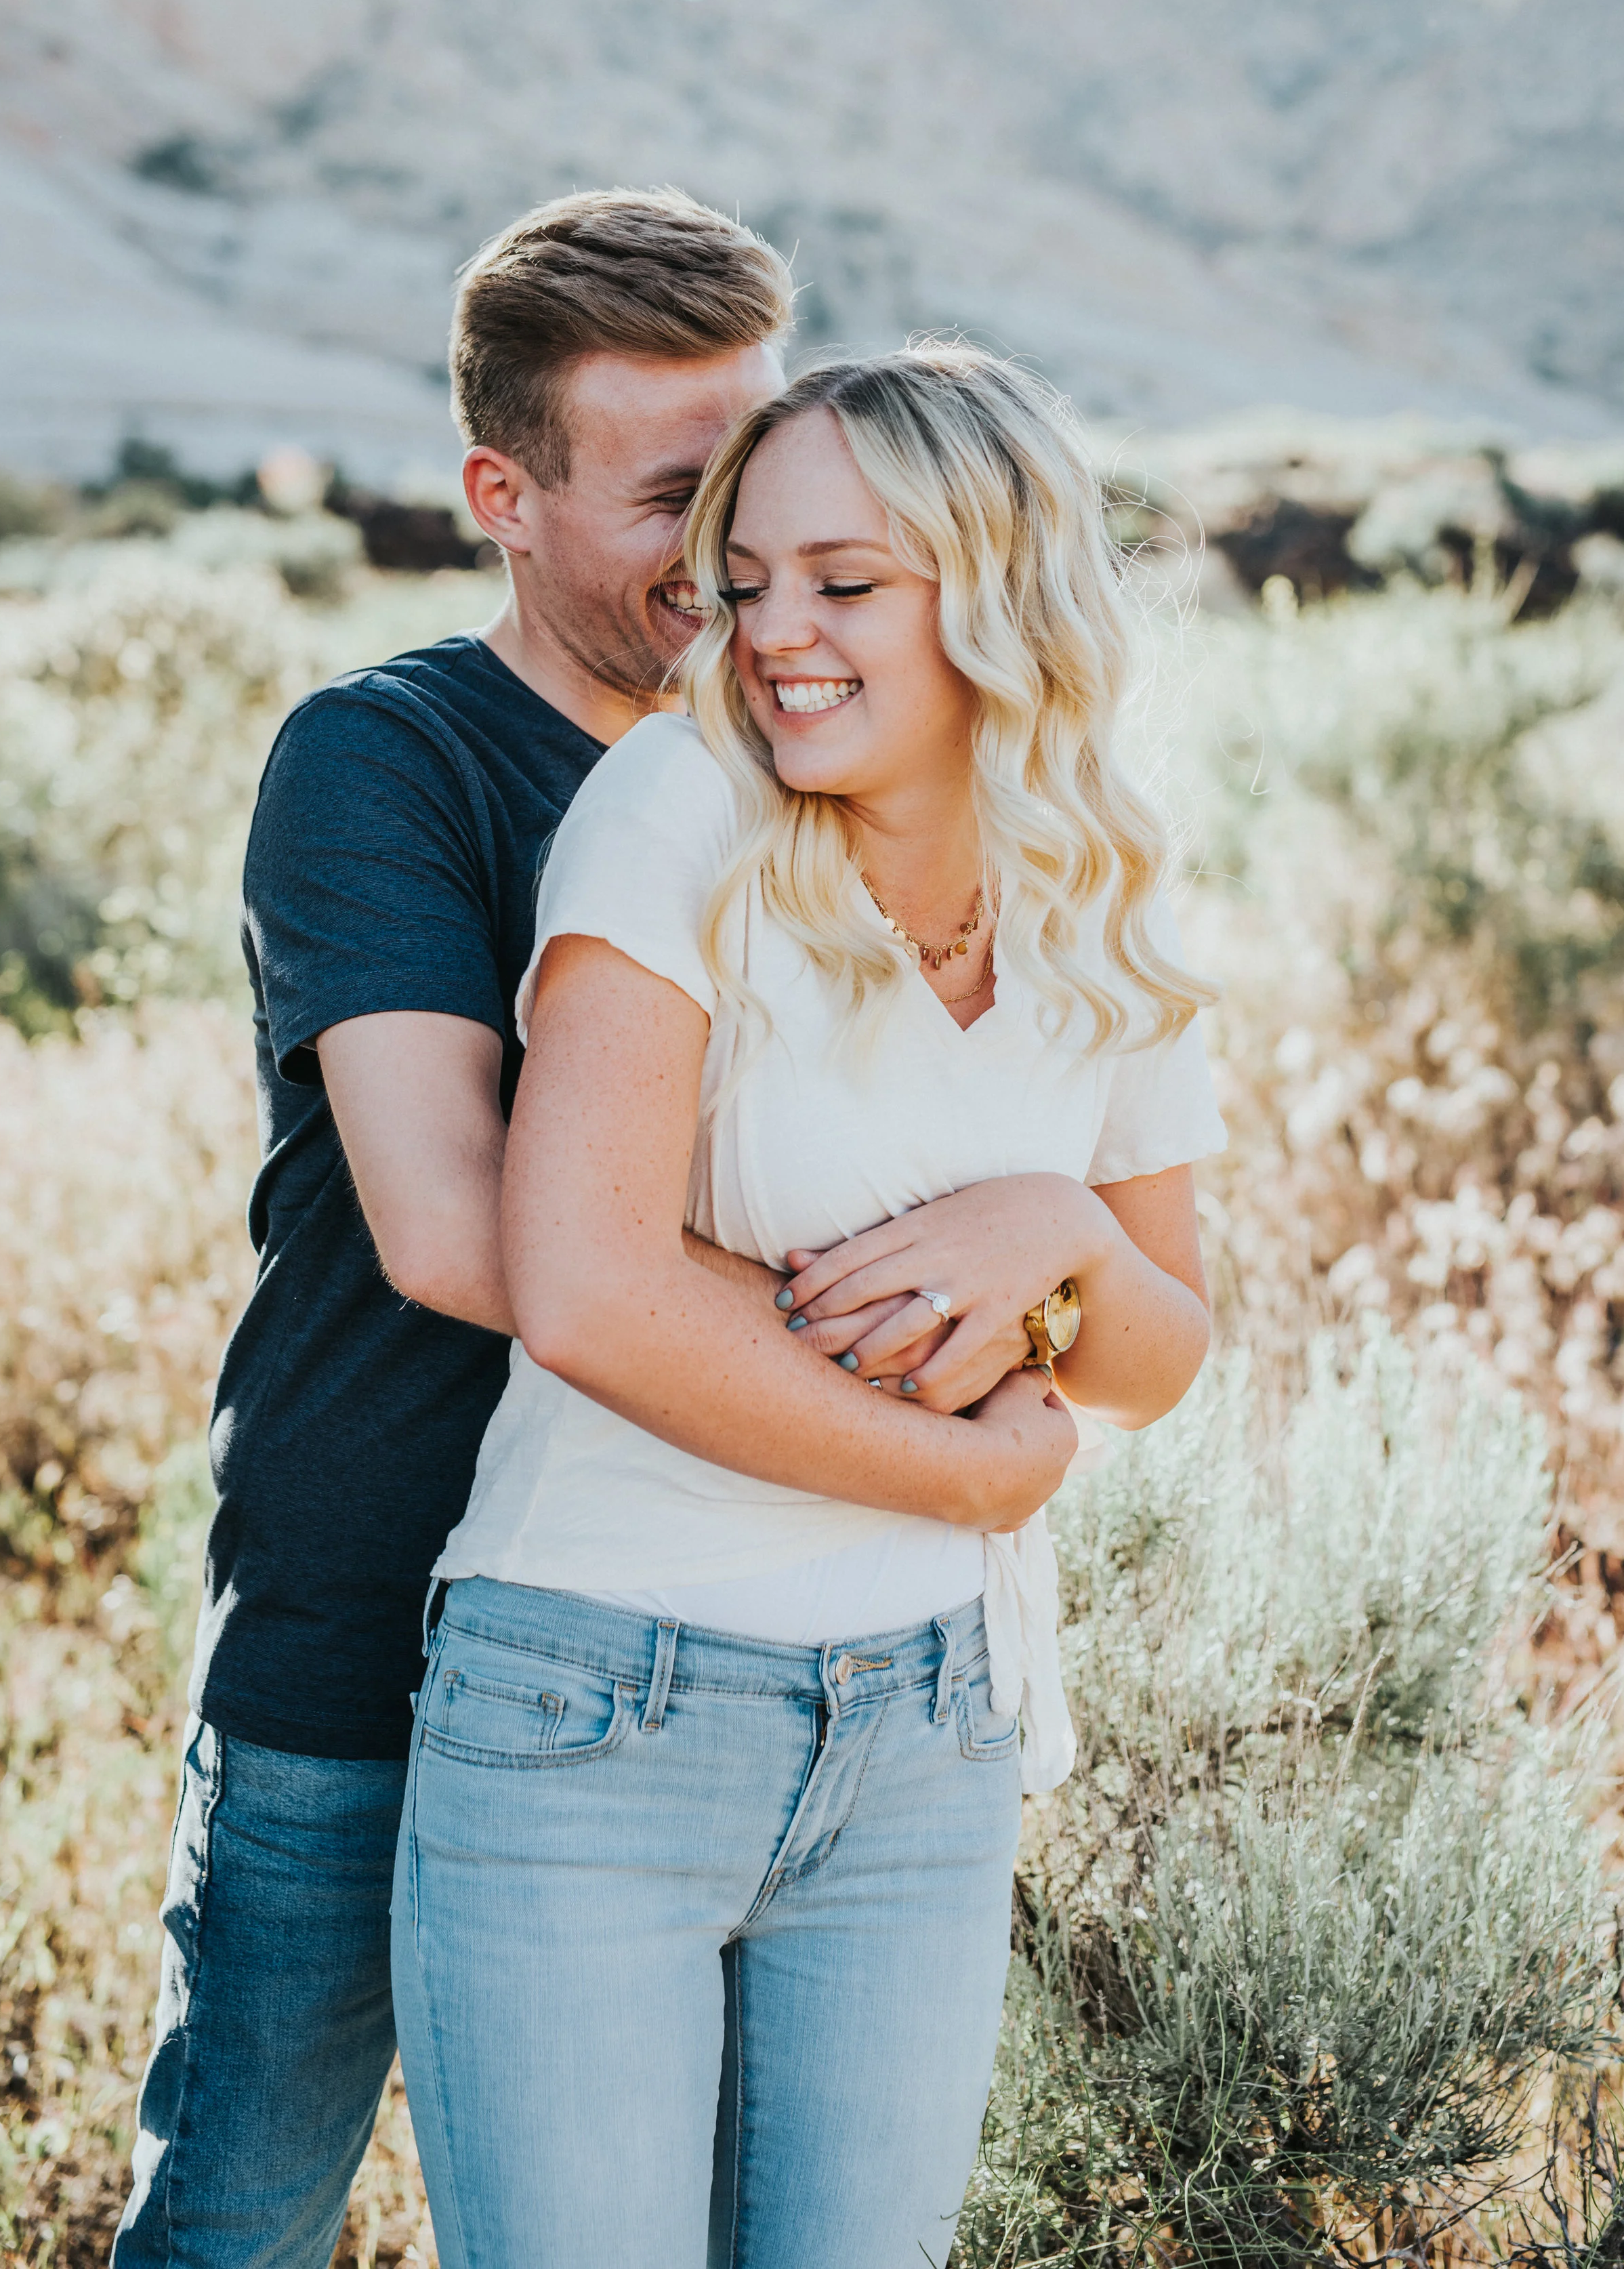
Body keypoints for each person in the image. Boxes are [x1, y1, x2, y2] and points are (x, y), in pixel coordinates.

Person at [390, 345, 1228, 2269]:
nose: (773, 634)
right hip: (600, 1704)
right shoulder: (677, 808)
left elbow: (1166, 1339)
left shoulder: (1097, 871)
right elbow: (587, 1291)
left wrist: (1056, 1236)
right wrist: (970, 1473)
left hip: (929, 1736)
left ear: (998, 592)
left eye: (844, 584)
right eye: (743, 577)